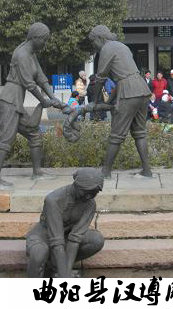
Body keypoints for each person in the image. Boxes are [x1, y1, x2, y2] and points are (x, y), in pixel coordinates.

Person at [0, 22, 67, 187]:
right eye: (44, 40)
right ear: (36, 37)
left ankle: (37, 172)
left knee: (34, 133)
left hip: (16, 101)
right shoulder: (22, 54)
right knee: (6, 138)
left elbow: (41, 78)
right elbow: (29, 83)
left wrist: (54, 98)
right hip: (10, 100)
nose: (44, 44)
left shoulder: (31, 53)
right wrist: (44, 101)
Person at [84, 25, 152, 178]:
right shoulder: (122, 46)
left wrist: (95, 101)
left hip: (128, 92)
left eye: (93, 42)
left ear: (100, 38)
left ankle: (105, 172)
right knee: (140, 133)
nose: (94, 46)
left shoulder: (106, 49)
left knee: (116, 135)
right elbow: (124, 77)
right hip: (142, 88)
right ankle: (147, 170)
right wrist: (110, 100)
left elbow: (100, 77)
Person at [26, 168, 105, 278]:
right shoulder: (53, 200)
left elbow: (75, 239)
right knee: (39, 253)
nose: (88, 196)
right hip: (44, 237)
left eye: (93, 193)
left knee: (96, 239)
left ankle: (57, 269)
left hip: (66, 237)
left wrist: (65, 273)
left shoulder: (90, 204)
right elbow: (56, 240)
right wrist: (65, 277)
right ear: (76, 185)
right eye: (85, 191)